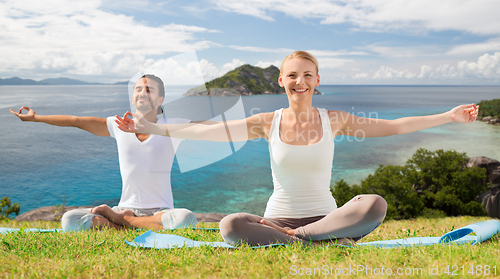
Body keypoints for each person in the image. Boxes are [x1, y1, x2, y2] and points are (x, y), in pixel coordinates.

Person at [112, 51, 479, 246]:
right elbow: (210, 130)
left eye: (307, 75)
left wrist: (448, 116)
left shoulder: (333, 119)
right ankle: (311, 240)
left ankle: (299, 240)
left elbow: (396, 126)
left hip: (327, 216)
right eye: (292, 75)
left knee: (374, 203)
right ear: (281, 80)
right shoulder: (266, 121)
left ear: (317, 81)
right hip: (277, 219)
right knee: (231, 225)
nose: (299, 81)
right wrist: (152, 127)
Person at [10, 75, 198, 231]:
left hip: (161, 212)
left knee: (185, 218)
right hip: (125, 208)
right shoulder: (118, 126)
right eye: (138, 89)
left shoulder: (172, 127)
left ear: (160, 100)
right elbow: (76, 120)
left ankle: (123, 222)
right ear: (132, 97)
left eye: (149, 90)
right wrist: (36, 118)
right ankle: (128, 222)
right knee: (69, 219)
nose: (141, 93)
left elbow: (211, 129)